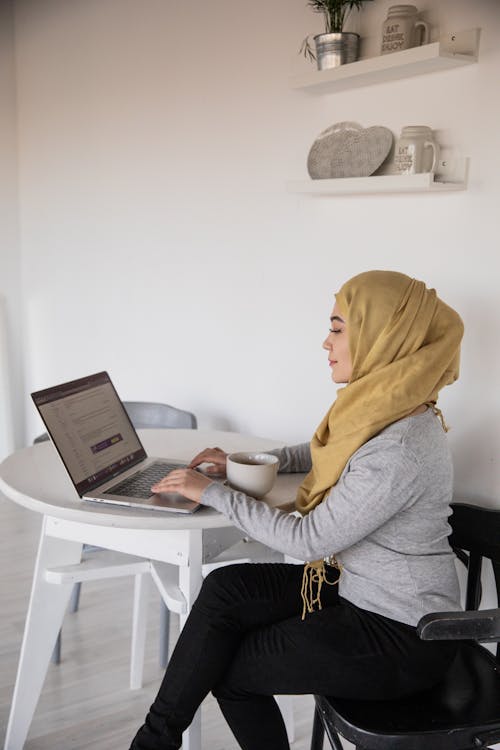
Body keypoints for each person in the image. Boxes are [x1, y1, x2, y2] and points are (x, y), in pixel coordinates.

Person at [129, 270, 464, 750]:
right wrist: (246, 464)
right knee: (226, 589)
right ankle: (153, 742)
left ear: (380, 337)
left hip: (402, 636)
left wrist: (212, 492)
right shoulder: (389, 407)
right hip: (359, 589)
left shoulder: (400, 450)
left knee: (233, 671)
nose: (325, 342)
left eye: (337, 328)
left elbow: (307, 540)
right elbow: (328, 449)